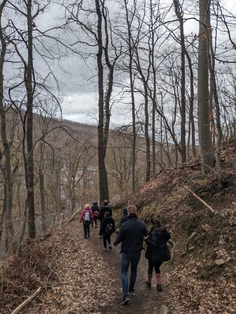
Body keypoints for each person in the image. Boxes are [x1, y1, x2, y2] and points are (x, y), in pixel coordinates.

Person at [113, 204, 148, 305]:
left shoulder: (124, 225)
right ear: (136, 212)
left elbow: (119, 238)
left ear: (128, 213)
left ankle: (126, 294)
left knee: (124, 272)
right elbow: (146, 236)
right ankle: (131, 289)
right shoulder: (142, 224)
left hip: (126, 252)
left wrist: (115, 243)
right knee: (134, 270)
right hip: (137, 252)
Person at [144, 218, 171, 291]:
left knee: (150, 267)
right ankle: (159, 284)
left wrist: (146, 240)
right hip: (162, 253)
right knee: (157, 267)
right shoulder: (164, 231)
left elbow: (154, 244)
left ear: (152, 224)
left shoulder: (153, 233)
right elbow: (168, 237)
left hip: (153, 253)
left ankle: (149, 282)